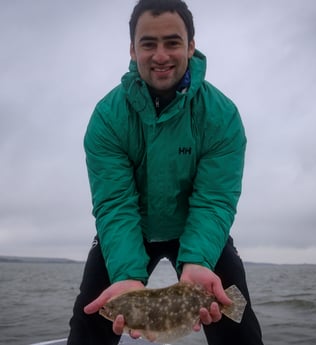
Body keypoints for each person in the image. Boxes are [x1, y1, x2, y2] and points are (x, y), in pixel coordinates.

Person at [67, 0, 264, 344]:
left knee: (238, 325)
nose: (161, 55)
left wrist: (199, 259)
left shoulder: (222, 116)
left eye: (172, 42)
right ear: (132, 48)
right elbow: (115, 204)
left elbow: (214, 199)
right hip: (130, 229)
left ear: (190, 45)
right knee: (90, 321)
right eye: (148, 44)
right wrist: (127, 274)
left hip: (195, 228)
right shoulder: (107, 118)